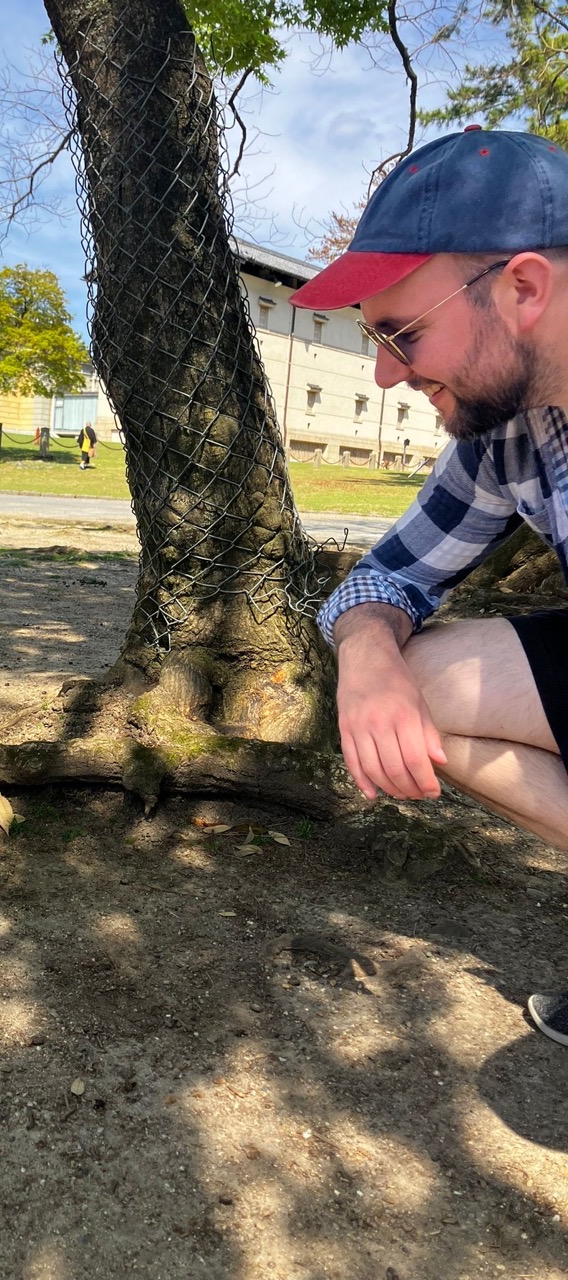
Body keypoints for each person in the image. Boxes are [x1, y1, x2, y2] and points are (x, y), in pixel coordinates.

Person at [289, 126, 568, 1047]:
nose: (384, 373)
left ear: (523, 287)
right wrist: (366, 653)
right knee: (418, 690)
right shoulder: (510, 429)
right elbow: (391, 574)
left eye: (402, 334)